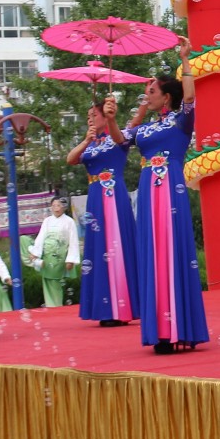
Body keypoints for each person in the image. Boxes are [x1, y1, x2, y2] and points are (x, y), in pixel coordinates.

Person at [123, 37, 209, 354]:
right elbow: (121, 139)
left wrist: (185, 59)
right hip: (148, 191)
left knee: (172, 251)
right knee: (152, 254)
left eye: (151, 91)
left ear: (166, 97)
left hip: (170, 188)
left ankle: (180, 327)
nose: (147, 95)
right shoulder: (145, 128)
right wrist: (120, 114)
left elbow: (190, 96)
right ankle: (160, 329)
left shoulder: (181, 121)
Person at [70, 98, 138, 327]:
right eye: (88, 116)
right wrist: (86, 140)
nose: (90, 118)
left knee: (119, 246)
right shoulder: (89, 143)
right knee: (99, 250)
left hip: (115, 195)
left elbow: (126, 133)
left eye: (94, 115)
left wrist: (113, 117)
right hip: (96, 198)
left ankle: (123, 306)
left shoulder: (116, 138)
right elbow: (70, 159)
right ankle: (104, 307)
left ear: (105, 115)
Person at [34, 198, 81, 307]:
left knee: (56, 282)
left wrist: (70, 259)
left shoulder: (69, 221)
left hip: (60, 255)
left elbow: (73, 241)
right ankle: (50, 306)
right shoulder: (47, 221)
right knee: (47, 279)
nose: (56, 208)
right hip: (47, 255)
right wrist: (36, 253)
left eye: (59, 205)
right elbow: (41, 237)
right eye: (54, 206)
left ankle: (56, 306)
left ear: (63, 207)